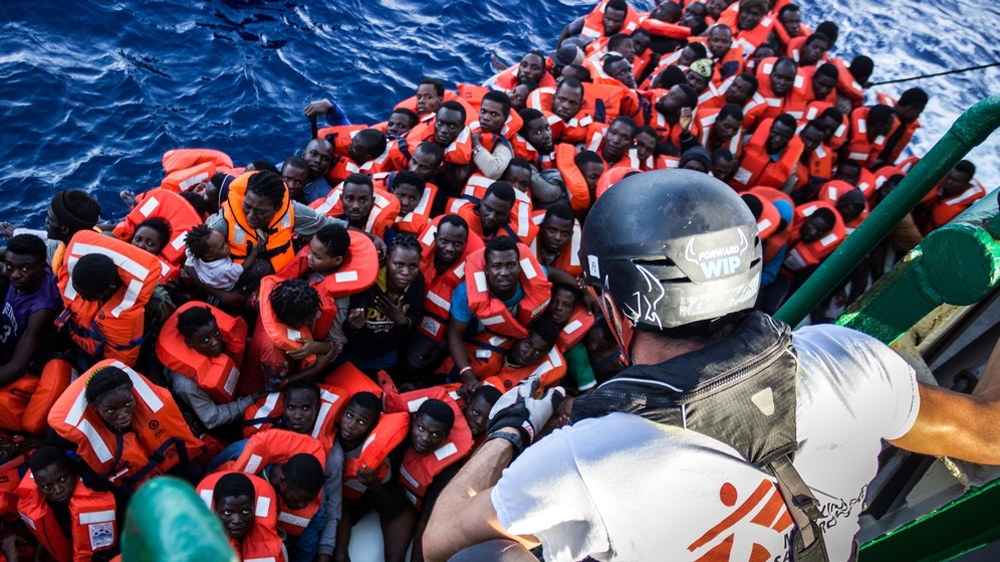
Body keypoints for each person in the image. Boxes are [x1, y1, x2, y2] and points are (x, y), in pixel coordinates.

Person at [425, 168, 1000, 562]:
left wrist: (508, 430)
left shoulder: (586, 460)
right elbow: (990, 430)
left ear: (615, 306)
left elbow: (440, 541)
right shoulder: (842, 357)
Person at [159, 304, 266, 430]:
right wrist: (250, 399)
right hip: (216, 415)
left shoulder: (218, 339)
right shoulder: (187, 385)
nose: (215, 342)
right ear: (190, 342)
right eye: (205, 340)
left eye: (216, 333)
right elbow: (213, 417)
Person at [16, 446, 119, 562]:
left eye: (62, 479)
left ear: (72, 471)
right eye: (47, 486)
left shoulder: (100, 492)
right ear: (37, 485)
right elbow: (50, 532)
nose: (57, 490)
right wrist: (37, 557)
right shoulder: (47, 505)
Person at [343, 234, 425, 373]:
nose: (406, 272)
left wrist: (402, 321)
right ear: (387, 260)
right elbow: (344, 320)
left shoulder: (417, 282)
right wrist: (351, 326)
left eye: (413, 266)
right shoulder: (369, 280)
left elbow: (416, 314)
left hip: (386, 357)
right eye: (399, 264)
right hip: (350, 354)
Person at [0, 234, 62, 388]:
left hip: (16, 357)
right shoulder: (20, 276)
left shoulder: (42, 309)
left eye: (24, 268)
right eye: (10, 266)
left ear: (42, 267)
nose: (15, 274)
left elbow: (17, 367)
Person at [201, 471, 285, 562]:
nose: (237, 520)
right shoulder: (195, 549)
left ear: (254, 509)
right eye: (228, 512)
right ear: (215, 510)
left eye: (245, 511)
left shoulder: (278, 549)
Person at [729, 113, 803, 191]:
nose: (777, 139)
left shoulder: (790, 171)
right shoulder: (746, 142)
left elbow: (780, 196)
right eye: (775, 133)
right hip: (732, 191)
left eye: (784, 137)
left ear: (790, 138)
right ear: (770, 129)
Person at [184, 223, 262, 293]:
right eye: (222, 247)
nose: (227, 246)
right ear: (210, 256)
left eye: (225, 241)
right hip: (225, 285)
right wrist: (254, 252)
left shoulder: (193, 253)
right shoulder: (224, 268)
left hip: (206, 275)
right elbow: (242, 269)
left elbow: (187, 250)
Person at [299, 138, 336, 204]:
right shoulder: (283, 168)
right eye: (313, 154)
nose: (318, 160)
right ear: (304, 155)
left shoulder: (325, 197)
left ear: (329, 164)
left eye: (325, 158)